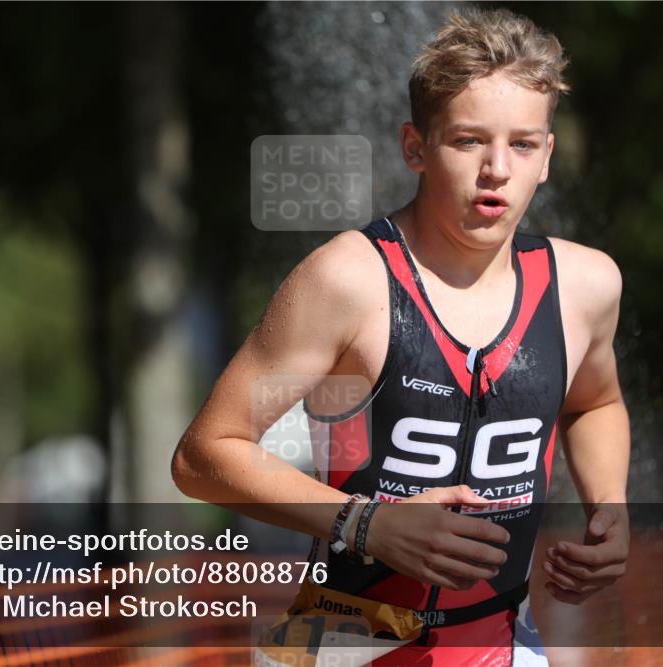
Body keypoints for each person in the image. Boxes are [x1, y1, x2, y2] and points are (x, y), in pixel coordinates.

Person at [172, 7, 630, 666]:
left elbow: (595, 401)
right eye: (469, 141)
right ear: (415, 147)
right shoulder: (346, 280)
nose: (498, 168)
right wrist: (369, 523)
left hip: (500, 641)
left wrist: (610, 507)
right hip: (342, 643)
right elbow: (203, 456)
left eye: (523, 144)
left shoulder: (586, 285)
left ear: (547, 156)